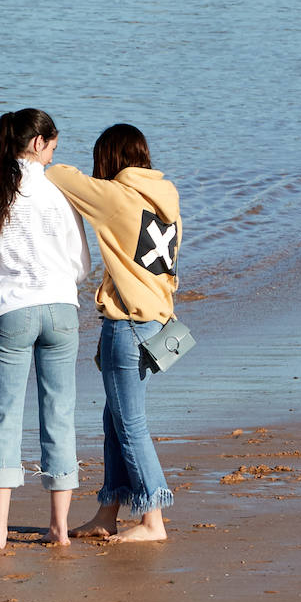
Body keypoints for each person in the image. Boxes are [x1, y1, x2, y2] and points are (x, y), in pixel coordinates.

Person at [0, 109, 91, 548]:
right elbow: (81, 264)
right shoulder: (59, 193)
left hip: (10, 311)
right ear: (37, 143)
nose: (53, 156)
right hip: (60, 309)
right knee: (59, 414)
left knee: (4, 418)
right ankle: (58, 529)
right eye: (52, 147)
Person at [47, 123, 181, 543]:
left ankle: (152, 521)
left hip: (128, 325)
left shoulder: (116, 198)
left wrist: (42, 154)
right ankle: (108, 512)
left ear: (109, 159)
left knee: (130, 423)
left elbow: (57, 176)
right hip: (159, 321)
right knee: (114, 419)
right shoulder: (167, 197)